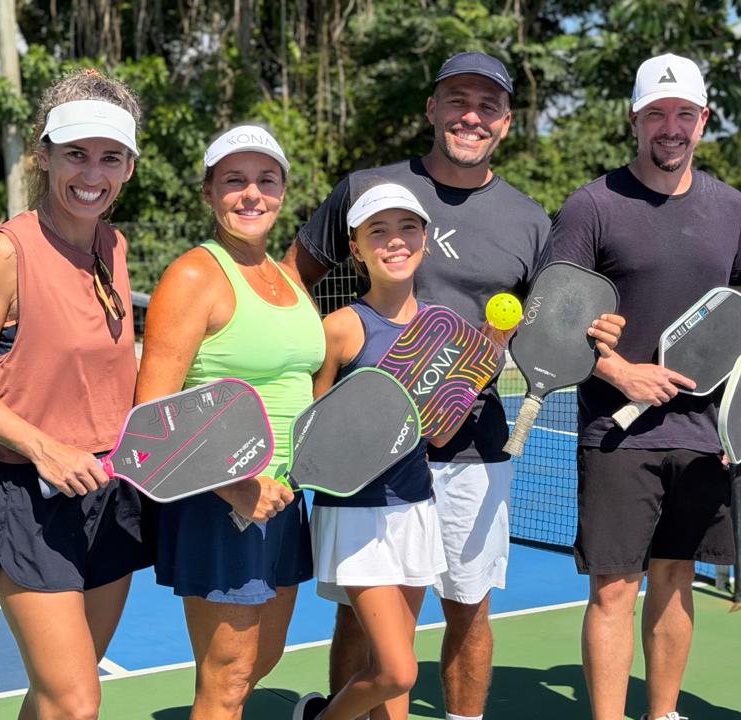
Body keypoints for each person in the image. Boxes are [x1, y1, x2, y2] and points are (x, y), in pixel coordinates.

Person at [284, 51, 622, 720]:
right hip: (369, 455)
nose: (472, 116)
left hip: (471, 446)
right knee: (363, 615)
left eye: (488, 105)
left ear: (505, 122)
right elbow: (292, 279)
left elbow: (549, 326)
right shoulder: (368, 188)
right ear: (432, 108)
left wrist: (602, 341)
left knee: (467, 605)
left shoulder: (529, 220)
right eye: (458, 100)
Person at [0, 69, 150, 719]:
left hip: (112, 493)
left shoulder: (114, 245)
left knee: (57, 699)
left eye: (110, 157)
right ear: (43, 155)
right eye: (76, 153)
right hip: (31, 499)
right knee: (76, 702)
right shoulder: (6, 252)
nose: (93, 173)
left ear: (129, 167)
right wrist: (45, 449)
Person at [549, 53, 741, 720]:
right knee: (615, 590)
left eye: (684, 114)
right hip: (617, 437)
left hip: (703, 436)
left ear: (704, 120)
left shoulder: (732, 210)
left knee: (675, 578)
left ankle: (661, 712)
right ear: (634, 120)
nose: (672, 127)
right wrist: (620, 371)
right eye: (657, 114)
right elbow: (551, 320)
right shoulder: (591, 206)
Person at [135, 125, 323, 720]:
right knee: (228, 679)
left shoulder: (288, 278)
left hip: (286, 499)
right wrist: (235, 486)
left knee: (261, 660)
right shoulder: (194, 276)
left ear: (283, 191)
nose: (251, 194)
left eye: (266, 180)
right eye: (234, 180)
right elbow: (150, 418)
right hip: (223, 501)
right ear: (209, 192)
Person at [295, 182, 461, 720]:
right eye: (378, 231)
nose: (395, 241)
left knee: (395, 672)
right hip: (355, 516)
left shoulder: (441, 329)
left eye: (408, 227)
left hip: (415, 508)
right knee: (397, 670)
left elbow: (438, 435)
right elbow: (309, 432)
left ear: (425, 240)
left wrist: (473, 369)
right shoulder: (341, 328)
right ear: (356, 247)